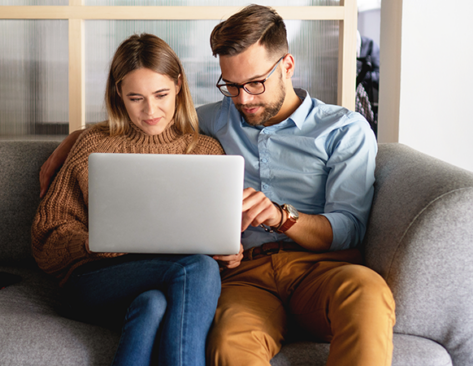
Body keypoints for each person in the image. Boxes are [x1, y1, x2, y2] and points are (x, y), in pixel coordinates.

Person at [39, 5, 395, 366]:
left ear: (287, 66)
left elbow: (350, 228)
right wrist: (77, 137)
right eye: (232, 86)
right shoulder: (212, 121)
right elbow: (146, 123)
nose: (243, 99)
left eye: (256, 83)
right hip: (246, 277)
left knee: (366, 294)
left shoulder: (343, 130)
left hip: (321, 270)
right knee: (229, 348)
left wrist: (281, 217)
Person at [31, 33, 237, 366]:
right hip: (93, 282)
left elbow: (215, 234)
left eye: (161, 94)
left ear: (179, 85)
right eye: (135, 98)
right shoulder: (94, 145)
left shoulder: (206, 151)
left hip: (165, 285)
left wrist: (229, 252)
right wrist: (93, 243)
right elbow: (45, 239)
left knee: (153, 305)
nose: (151, 110)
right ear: (119, 94)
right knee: (196, 266)